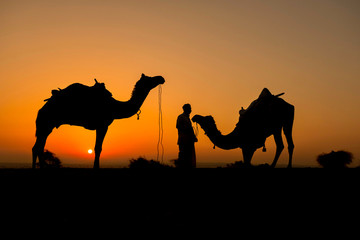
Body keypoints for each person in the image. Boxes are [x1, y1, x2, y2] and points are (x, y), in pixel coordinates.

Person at [176, 104, 197, 168]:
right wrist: (188, 129)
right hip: (184, 141)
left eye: (190, 108)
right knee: (184, 159)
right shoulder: (181, 117)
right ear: (185, 109)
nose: (191, 110)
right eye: (189, 108)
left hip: (189, 141)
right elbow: (178, 126)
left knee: (189, 159)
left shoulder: (187, 118)